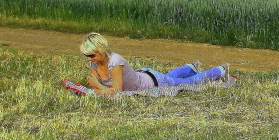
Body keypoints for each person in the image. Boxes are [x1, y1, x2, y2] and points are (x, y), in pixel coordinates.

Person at [81, 32, 228, 95]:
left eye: (92, 55)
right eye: (86, 55)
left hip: (152, 82)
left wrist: (99, 87)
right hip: (146, 75)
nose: (89, 58)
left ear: (101, 50)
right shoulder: (94, 63)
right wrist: (100, 88)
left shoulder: (115, 62)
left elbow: (116, 92)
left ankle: (220, 71)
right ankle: (190, 67)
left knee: (188, 83)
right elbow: (97, 85)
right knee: (170, 78)